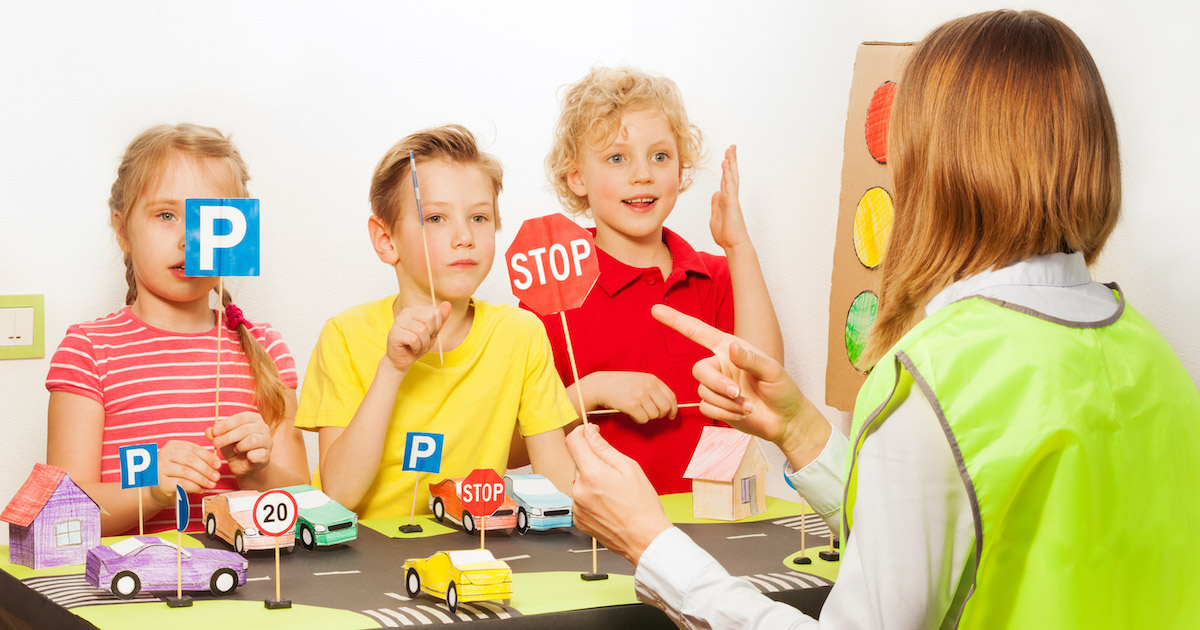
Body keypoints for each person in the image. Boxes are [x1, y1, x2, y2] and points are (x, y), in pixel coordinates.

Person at [566, 10, 1200, 628]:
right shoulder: (1155, 359)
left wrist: (654, 548)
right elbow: (965, 531)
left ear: (941, 169)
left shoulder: (932, 376)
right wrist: (805, 435)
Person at [522, 66, 784, 494]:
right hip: (600, 532)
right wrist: (594, 389)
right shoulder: (550, 288)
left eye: (659, 156)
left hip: (710, 525)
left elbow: (766, 389)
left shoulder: (715, 275)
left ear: (680, 170)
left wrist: (738, 247)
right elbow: (516, 447)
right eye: (617, 157)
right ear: (577, 177)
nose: (642, 174)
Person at [296, 125, 576, 519]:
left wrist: (590, 483)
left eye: (479, 217)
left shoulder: (521, 333)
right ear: (385, 240)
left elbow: (556, 482)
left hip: (474, 546)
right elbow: (339, 494)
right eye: (436, 218)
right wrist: (393, 369)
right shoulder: (345, 334)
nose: (464, 236)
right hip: (366, 556)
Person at [46, 123, 310, 535]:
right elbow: (63, 514)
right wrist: (149, 493)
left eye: (211, 219)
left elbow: (305, 503)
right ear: (122, 229)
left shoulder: (266, 347)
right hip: (135, 585)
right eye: (166, 215)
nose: (189, 239)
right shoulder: (90, 350)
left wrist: (258, 475)